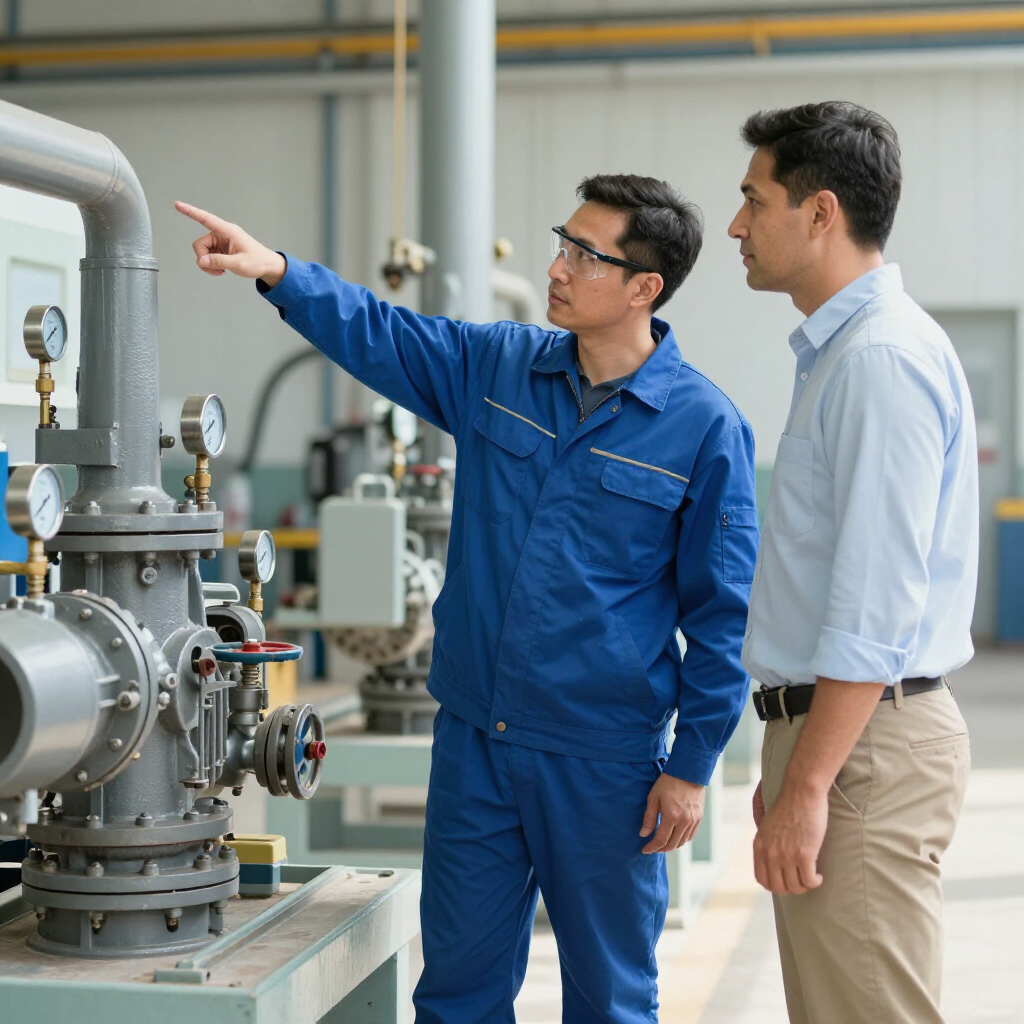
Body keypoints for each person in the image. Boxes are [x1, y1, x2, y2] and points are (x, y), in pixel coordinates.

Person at [178, 173, 758, 1023]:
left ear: (645, 287)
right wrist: (275, 271)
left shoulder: (704, 427)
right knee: (457, 991)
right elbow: (385, 334)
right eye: (562, 244)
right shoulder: (499, 367)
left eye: (584, 256)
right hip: (476, 742)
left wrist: (691, 768)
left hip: (604, 763)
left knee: (610, 997)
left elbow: (721, 617)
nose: (557, 267)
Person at [729, 101, 976, 1024]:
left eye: (755, 200)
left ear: (821, 212)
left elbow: (874, 605)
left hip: (865, 744)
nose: (737, 226)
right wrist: (792, 763)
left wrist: (813, 782)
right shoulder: (846, 354)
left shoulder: (878, 360)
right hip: (848, 736)